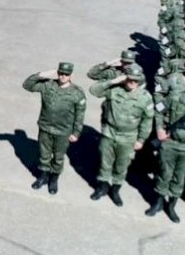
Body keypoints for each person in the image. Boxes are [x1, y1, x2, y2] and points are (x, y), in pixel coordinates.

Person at [89, 65, 154, 206]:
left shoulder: (145, 98)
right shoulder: (114, 90)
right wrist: (113, 81)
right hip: (109, 133)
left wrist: (141, 139)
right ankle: (102, 187)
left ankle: (115, 190)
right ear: (125, 78)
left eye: (136, 80)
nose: (132, 82)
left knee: (122, 165)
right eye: (130, 79)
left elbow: (147, 120)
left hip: (128, 137)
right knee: (105, 162)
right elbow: (94, 90)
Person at [22, 63, 86, 194]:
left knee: (58, 157)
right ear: (57, 73)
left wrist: (76, 132)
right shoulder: (48, 85)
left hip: (63, 131)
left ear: (71, 75)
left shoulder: (77, 93)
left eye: (66, 74)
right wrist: (41, 75)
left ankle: (53, 180)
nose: (63, 76)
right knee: (44, 155)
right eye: (61, 73)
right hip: (45, 127)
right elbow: (27, 85)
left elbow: (80, 115)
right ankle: (43, 177)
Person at [147, 62, 185, 223]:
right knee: (164, 173)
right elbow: (160, 108)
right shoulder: (175, 87)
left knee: (180, 178)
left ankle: (172, 206)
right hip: (170, 141)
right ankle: (158, 202)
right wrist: (160, 129)